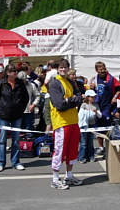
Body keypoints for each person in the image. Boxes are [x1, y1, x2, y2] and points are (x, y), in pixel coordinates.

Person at [0, 64, 29, 172]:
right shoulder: (0, 83)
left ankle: (16, 162)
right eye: (12, 71)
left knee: (16, 140)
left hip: (17, 115)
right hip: (3, 116)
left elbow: (25, 98)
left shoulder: (20, 83)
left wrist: (21, 109)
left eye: (15, 70)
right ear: (7, 72)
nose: (15, 72)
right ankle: (1, 162)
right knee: (2, 140)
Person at [49, 58, 83, 189]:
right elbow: (59, 105)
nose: (63, 69)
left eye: (65, 67)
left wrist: (70, 100)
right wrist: (71, 100)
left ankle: (69, 175)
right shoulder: (55, 83)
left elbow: (80, 97)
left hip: (74, 121)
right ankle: (55, 179)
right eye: (61, 67)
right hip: (61, 122)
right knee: (59, 151)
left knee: (72, 150)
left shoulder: (70, 81)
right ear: (57, 68)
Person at [90, 61, 120, 155]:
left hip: (107, 106)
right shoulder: (94, 79)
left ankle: (108, 145)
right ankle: (100, 147)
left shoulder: (111, 78)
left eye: (104, 69)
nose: (103, 71)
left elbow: (119, 88)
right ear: (96, 70)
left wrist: (115, 97)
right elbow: (90, 94)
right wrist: (92, 88)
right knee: (98, 127)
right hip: (98, 106)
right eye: (100, 70)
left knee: (107, 127)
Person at [78, 90, 102, 163]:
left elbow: (100, 116)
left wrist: (96, 112)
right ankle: (82, 157)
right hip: (84, 126)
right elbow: (80, 116)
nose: (94, 98)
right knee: (83, 142)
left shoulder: (96, 105)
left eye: (94, 97)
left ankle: (91, 156)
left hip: (92, 125)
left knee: (90, 142)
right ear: (88, 97)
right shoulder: (84, 105)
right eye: (92, 97)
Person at [43, 60, 58, 134]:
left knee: (48, 121)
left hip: (49, 96)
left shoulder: (50, 73)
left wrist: (49, 89)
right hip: (57, 97)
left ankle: (46, 139)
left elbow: (46, 82)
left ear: (49, 66)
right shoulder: (58, 72)